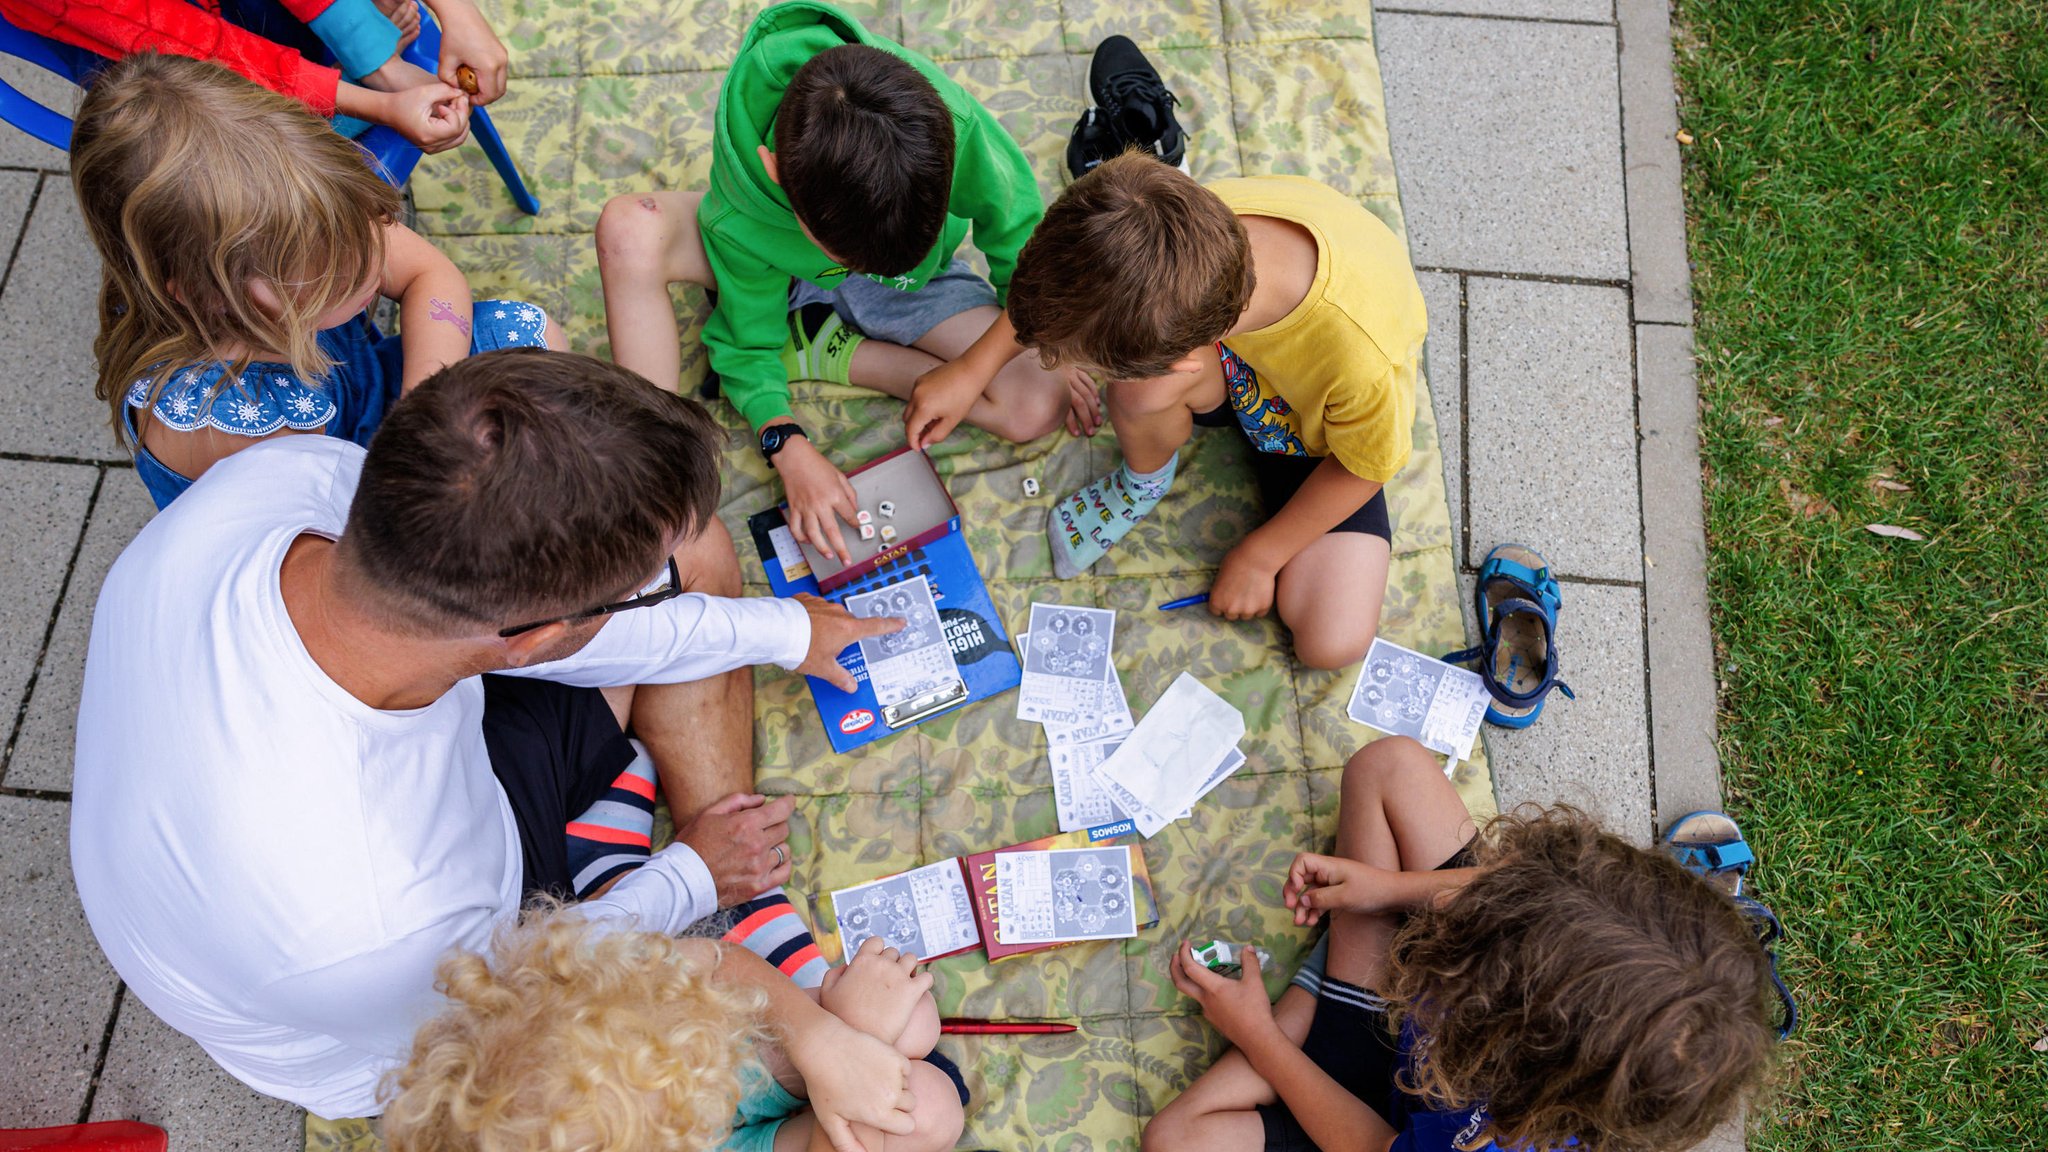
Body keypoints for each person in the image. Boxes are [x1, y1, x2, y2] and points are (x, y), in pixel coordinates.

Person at [69, 348, 900, 1119]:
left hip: (351, 803)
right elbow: (525, 975)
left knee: (696, 562)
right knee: (702, 567)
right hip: (416, 999)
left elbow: (562, 629)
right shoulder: (385, 913)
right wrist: (689, 876)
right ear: (530, 640)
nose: (642, 594)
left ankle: (732, 872)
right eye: (621, 596)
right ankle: (733, 876)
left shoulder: (289, 475)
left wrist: (788, 631)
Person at [595, 0, 1082, 566]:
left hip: (908, 275)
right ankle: (653, 468)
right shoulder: (746, 207)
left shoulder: (949, 122)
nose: (859, 276)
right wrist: (785, 440)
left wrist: (1025, 339)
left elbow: (1023, 245)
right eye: (848, 260)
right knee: (630, 232)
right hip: (772, 265)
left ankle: (826, 351)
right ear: (775, 171)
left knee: (1041, 399)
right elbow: (745, 340)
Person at [1148, 737, 1782, 1152]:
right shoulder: (1556, 927)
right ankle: (1315, 998)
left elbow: (1374, 1146)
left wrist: (1259, 1035)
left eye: (1479, 937)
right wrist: (1387, 888)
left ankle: (1308, 1004)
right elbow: (1511, 890)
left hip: (1382, 1106)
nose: (1457, 918)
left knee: (1173, 1139)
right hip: (1428, 1034)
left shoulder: (1494, 1134)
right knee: (1388, 766)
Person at [982, 153, 1429, 670]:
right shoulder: (1178, 226)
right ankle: (1144, 480)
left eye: (1102, 370)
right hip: (1233, 368)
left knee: (1332, 643)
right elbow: (1065, 295)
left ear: (1182, 359)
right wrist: (973, 369)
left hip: (1320, 449)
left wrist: (1260, 555)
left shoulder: (1364, 359)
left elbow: (1366, 468)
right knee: (1137, 394)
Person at [71, 53, 553, 509]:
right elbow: (338, 548)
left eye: (364, 234)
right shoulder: (234, 424)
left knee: (530, 337)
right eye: (332, 279)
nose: (369, 267)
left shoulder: (296, 227)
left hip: (374, 414)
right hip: (340, 509)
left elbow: (431, 273)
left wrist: (426, 410)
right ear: (210, 293)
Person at [381, 917, 965, 1152]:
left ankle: (854, 1045)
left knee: (913, 1019)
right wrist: (855, 1043)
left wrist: (822, 1038)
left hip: (731, 1051)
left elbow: (719, 961)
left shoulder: (605, 992)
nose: (694, 1108)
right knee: (931, 1111)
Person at [0, 0, 504, 149]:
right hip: (157, 60)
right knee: (221, 130)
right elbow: (206, 51)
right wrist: (374, 98)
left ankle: (334, 85)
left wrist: (456, 12)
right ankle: (325, 120)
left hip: (205, 30)